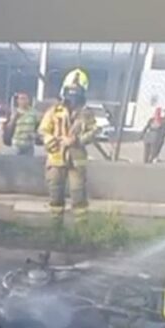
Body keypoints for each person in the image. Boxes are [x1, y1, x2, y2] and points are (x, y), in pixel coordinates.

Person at [38, 70, 97, 225]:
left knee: (78, 194)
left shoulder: (87, 113)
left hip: (77, 161)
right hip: (56, 159)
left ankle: (81, 231)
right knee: (55, 194)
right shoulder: (54, 111)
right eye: (70, 91)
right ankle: (55, 228)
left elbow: (94, 132)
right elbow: (43, 130)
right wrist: (51, 140)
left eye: (76, 92)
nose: (73, 96)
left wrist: (76, 140)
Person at [8, 92, 39, 156]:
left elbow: (39, 126)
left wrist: (35, 134)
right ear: (18, 101)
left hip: (29, 144)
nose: (23, 101)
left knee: (27, 164)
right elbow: (8, 127)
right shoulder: (14, 112)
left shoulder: (34, 112)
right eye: (21, 99)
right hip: (17, 143)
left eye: (25, 99)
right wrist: (14, 118)